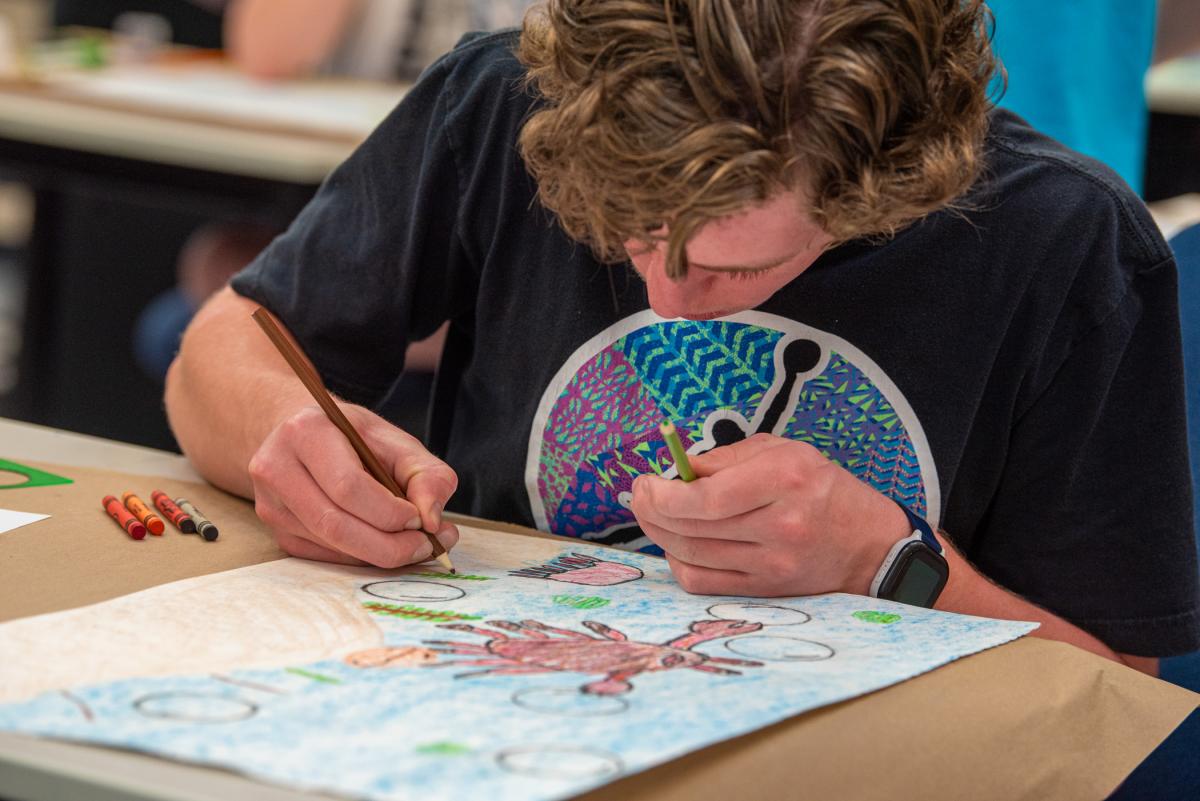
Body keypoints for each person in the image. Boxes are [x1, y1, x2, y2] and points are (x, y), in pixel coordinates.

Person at [166, 0, 1200, 689]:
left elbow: (1109, 695)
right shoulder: (500, 101)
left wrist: (882, 565)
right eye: (623, 228)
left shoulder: (1058, 239)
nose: (664, 297)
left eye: (735, 268)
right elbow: (228, 342)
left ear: (881, 183)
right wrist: (290, 434)